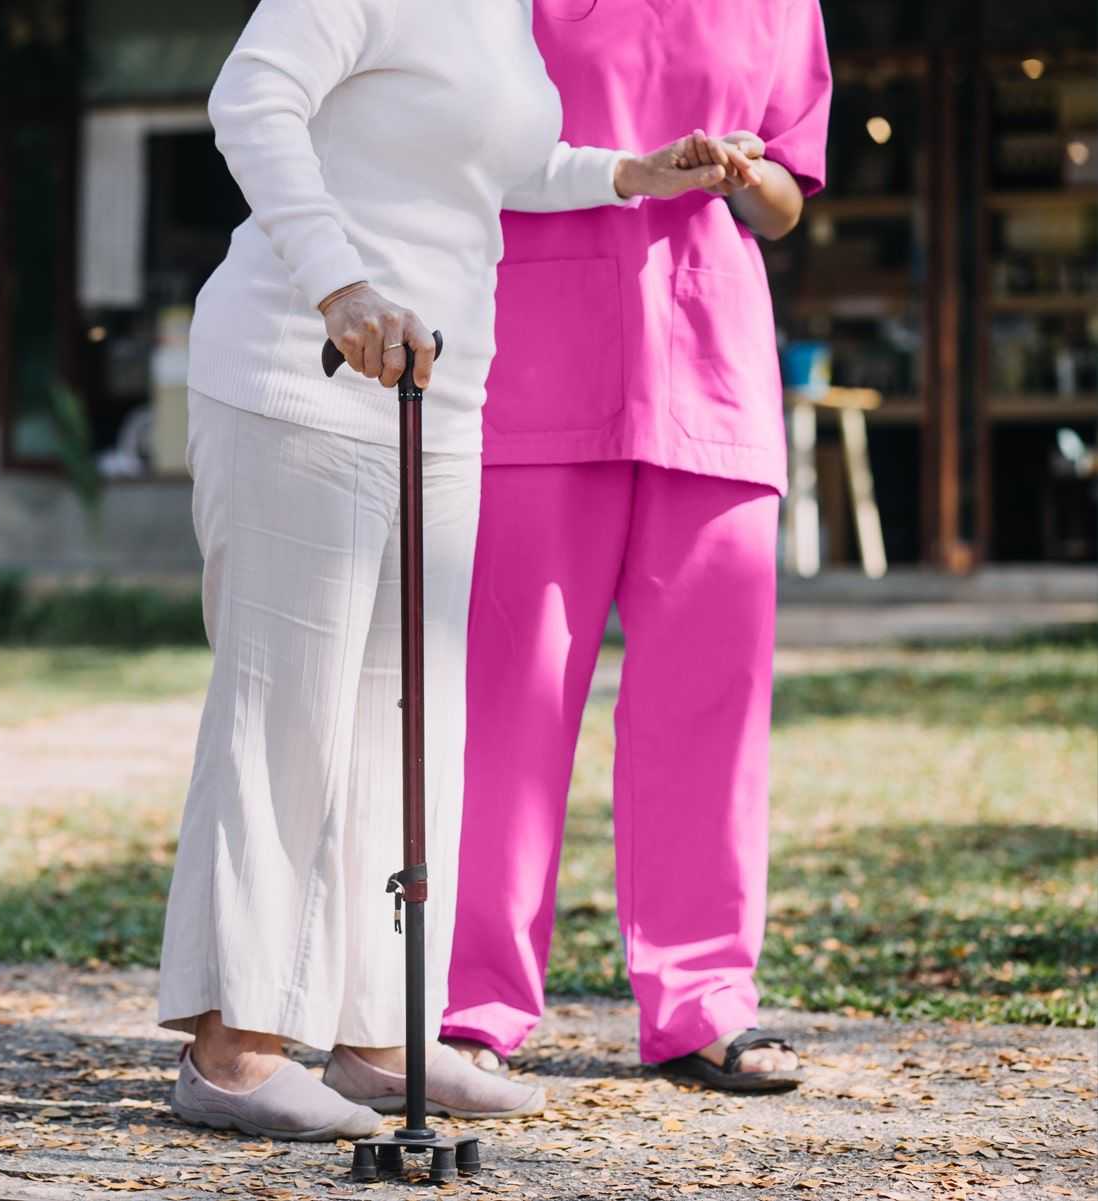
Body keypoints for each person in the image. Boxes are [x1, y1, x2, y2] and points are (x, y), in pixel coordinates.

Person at [155, 0, 745, 1140]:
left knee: (402, 722)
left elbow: (500, 163)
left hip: (437, 398)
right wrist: (339, 282)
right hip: (299, 367)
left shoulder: (498, 9)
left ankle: (381, 1036)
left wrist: (629, 171)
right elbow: (250, 100)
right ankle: (231, 1052)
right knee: (286, 714)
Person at [443, 0, 832, 1094]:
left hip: (709, 364)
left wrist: (737, 175)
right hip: (531, 362)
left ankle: (703, 1005)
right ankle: (471, 1000)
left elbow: (785, 199)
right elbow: (465, 144)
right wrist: (632, 167)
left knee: (708, 705)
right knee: (507, 701)